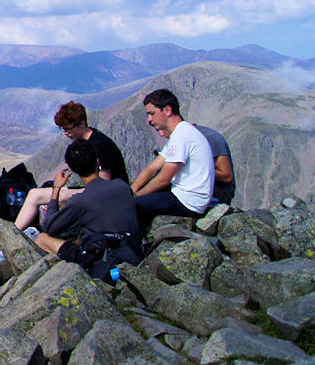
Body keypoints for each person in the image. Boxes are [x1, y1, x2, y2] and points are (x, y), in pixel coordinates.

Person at [12, 101, 130, 231]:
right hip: (100, 190)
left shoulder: (99, 146)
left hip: (107, 195)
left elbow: (104, 183)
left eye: (69, 128)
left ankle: (14, 234)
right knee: (40, 192)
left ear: (82, 124)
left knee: (36, 195)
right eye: (63, 129)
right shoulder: (90, 140)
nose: (66, 133)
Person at [32, 138, 141, 267]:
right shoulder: (122, 186)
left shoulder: (80, 201)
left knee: (42, 239)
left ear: (74, 170)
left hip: (103, 260)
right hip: (133, 250)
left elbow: (49, 227)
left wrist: (56, 189)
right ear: (97, 161)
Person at [129, 88, 213, 230]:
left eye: (152, 113)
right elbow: (152, 168)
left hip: (188, 201)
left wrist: (135, 196)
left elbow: (163, 179)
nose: (149, 119)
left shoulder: (182, 136)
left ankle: (134, 246)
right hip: (184, 195)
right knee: (140, 198)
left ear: (167, 110)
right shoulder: (179, 133)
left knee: (134, 207)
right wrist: (132, 190)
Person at [195, 125, 237, 206]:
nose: (162, 134)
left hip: (220, 192)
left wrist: (192, 170)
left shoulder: (209, 137)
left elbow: (226, 176)